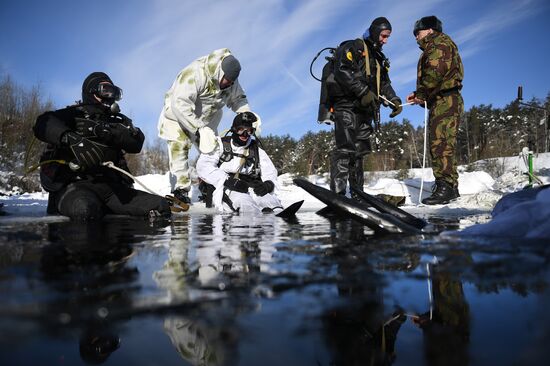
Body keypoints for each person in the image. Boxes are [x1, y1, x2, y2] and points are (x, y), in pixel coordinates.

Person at [33, 72, 171, 221]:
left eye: (114, 92)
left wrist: (108, 132)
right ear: (91, 92)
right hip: (75, 186)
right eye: (105, 90)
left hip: (112, 190)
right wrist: (70, 138)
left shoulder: (116, 123)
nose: (110, 96)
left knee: (160, 206)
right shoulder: (72, 114)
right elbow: (43, 123)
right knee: (85, 209)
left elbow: (136, 143)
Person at [158, 48, 260, 204]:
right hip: (178, 115)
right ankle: (180, 192)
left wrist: (248, 117)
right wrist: (198, 129)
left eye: (232, 82)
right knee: (180, 147)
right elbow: (180, 103)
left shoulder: (231, 81)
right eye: (227, 80)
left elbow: (238, 99)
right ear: (220, 71)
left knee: (213, 150)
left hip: (208, 118)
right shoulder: (194, 73)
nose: (229, 84)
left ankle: (208, 187)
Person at [328, 17, 403, 198]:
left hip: (365, 110)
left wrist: (394, 100)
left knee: (359, 152)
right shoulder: (354, 47)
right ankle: (338, 195)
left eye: (388, 37)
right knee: (345, 148)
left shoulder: (378, 58)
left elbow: (384, 83)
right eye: (384, 36)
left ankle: (357, 193)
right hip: (346, 106)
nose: (385, 40)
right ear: (376, 32)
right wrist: (363, 91)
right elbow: (342, 70)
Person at [406, 16, 464, 205]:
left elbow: (435, 71)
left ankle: (446, 186)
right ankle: (450, 187)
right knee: (441, 143)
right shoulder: (436, 45)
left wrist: (421, 93)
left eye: (418, 32)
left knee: (441, 144)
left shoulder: (439, 43)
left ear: (430, 30)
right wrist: (421, 95)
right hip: (441, 99)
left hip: (446, 100)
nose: (416, 37)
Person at [196, 112, 282, 213]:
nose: (245, 134)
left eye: (249, 131)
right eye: (241, 130)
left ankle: (277, 214)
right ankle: (246, 221)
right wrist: (227, 180)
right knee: (245, 203)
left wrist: (268, 184)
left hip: (250, 186)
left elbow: (270, 172)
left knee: (270, 201)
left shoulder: (256, 150)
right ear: (234, 129)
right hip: (226, 186)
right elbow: (204, 166)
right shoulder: (220, 145)